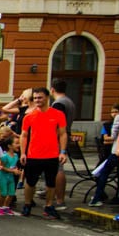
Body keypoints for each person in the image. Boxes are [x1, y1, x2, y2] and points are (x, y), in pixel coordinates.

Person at [19, 87, 67, 220]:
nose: (37, 100)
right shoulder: (29, 116)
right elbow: (24, 135)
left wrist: (62, 152)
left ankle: (49, 205)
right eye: (35, 98)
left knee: (51, 182)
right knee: (30, 182)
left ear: (47, 98)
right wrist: (23, 153)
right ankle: (27, 204)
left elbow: (63, 134)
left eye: (40, 97)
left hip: (52, 155)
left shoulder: (58, 114)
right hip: (33, 154)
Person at [49, 79, 76, 209]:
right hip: (65, 134)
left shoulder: (58, 103)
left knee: (58, 169)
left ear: (52, 89)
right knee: (57, 168)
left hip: (58, 137)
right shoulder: (69, 101)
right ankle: (54, 193)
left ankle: (59, 199)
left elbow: (55, 124)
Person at [0, 136, 21, 215]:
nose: (19, 145)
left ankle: (6, 207)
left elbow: (14, 165)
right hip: (3, 176)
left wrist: (17, 170)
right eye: (17, 143)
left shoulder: (16, 156)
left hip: (11, 176)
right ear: (9, 146)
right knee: (3, 193)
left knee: (11, 193)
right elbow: (1, 167)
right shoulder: (4, 156)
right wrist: (12, 171)